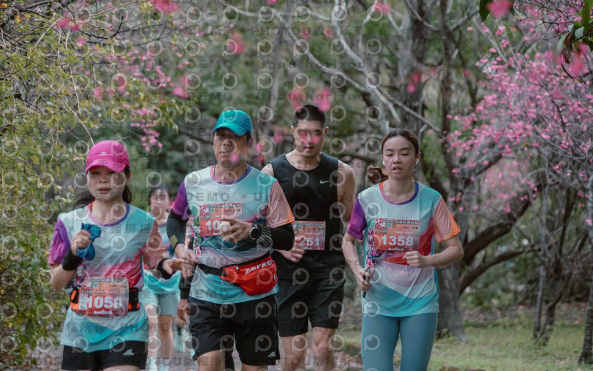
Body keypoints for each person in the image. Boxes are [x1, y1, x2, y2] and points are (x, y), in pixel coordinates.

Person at [166, 109, 295, 371]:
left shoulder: (267, 185)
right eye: (221, 136)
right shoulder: (193, 183)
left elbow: (287, 239)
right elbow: (175, 220)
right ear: (213, 140)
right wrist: (179, 247)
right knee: (210, 365)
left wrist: (253, 232)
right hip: (207, 292)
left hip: (255, 292)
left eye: (234, 137)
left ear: (248, 143)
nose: (226, 143)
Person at [48, 140, 188, 371]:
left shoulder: (144, 222)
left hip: (127, 328)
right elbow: (56, 282)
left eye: (112, 173)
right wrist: (72, 256)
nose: (103, 180)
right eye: (96, 173)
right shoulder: (68, 222)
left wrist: (168, 265)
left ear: (127, 175)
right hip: (80, 329)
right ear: (88, 177)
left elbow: (156, 262)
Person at [342, 129, 464, 371]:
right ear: (383, 159)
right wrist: (357, 271)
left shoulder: (432, 199)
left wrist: (427, 260)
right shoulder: (367, 199)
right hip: (378, 302)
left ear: (416, 158)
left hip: (420, 302)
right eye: (390, 154)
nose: (396, 159)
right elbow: (348, 241)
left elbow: (456, 249)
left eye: (404, 153)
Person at [261, 104, 356, 371]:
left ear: (325, 132)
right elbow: (257, 225)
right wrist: (281, 247)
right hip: (287, 272)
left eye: (316, 133)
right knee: (294, 358)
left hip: (327, 270)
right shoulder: (272, 172)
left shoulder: (342, 173)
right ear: (293, 131)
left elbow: (353, 223)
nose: (309, 140)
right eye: (303, 133)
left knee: (323, 348)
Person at [140, 186, 180, 371]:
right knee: (151, 321)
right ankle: (152, 364)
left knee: (165, 326)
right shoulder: (144, 223)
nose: (157, 200)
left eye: (162, 197)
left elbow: (179, 248)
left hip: (170, 283)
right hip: (147, 280)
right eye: (154, 197)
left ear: (168, 201)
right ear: (149, 200)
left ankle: (164, 365)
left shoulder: (174, 225)